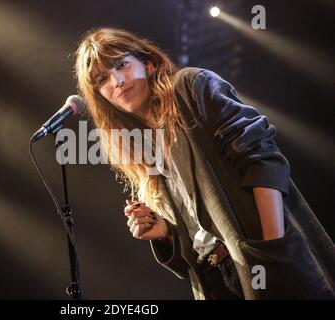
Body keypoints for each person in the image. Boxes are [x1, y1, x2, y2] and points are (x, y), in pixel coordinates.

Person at [74, 27, 335, 299]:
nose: (116, 81)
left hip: (260, 258)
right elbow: (197, 236)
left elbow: (262, 158)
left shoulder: (190, 87)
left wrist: (273, 245)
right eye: (102, 79)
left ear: (149, 64)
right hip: (214, 279)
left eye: (122, 64)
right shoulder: (139, 148)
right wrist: (165, 233)